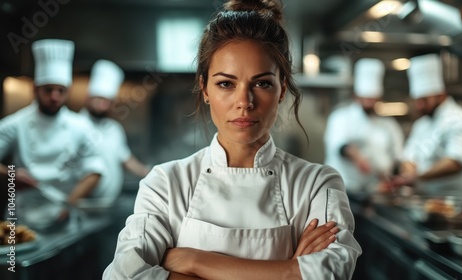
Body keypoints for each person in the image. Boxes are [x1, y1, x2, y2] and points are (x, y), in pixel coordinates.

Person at [103, 0, 361, 279]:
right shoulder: (166, 184)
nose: (244, 102)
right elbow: (122, 275)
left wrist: (193, 261)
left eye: (262, 83)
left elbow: (332, 272)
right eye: (226, 83)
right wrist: (289, 270)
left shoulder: (316, 184)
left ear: (282, 90)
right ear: (204, 89)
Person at [0, 39, 105, 210]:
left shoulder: (81, 126)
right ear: (35, 89)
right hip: (23, 212)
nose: (54, 97)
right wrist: (11, 174)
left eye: (60, 91)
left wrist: (69, 205)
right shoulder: (16, 123)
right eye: (48, 90)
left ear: (68, 92)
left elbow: (95, 170)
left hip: (64, 212)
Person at [392, 53, 462, 199]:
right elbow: (409, 157)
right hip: (424, 202)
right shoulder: (421, 124)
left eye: (424, 100)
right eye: (417, 100)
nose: (419, 106)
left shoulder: (460, 121)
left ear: (440, 94)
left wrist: (418, 177)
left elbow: (455, 162)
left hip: (458, 203)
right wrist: (408, 171)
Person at [324, 58, 404, 194]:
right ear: (356, 95)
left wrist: (391, 177)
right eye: (366, 99)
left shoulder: (389, 125)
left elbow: (397, 157)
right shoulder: (340, 117)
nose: (369, 103)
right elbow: (339, 145)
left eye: (372, 99)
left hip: (376, 191)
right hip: (342, 190)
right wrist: (358, 158)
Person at [80, 59, 150, 206]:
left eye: (108, 101)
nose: (103, 106)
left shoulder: (114, 129)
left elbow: (126, 159)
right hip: (80, 206)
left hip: (107, 207)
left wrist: (149, 172)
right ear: (88, 97)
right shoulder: (76, 125)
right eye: (99, 99)